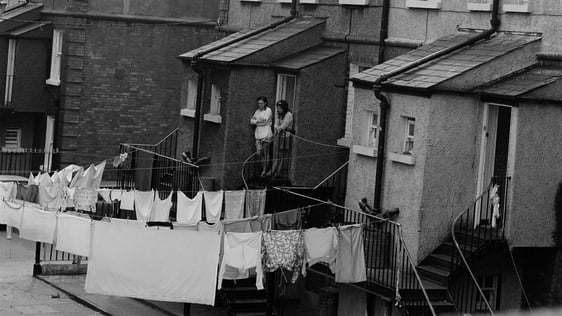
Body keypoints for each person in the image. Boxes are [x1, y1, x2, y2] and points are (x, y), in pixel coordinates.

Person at [269, 100, 293, 178]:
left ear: (284, 108)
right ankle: (273, 171)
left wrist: (279, 128)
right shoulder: (279, 115)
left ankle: (277, 172)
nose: (278, 109)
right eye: (277, 108)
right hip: (280, 136)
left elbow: (284, 126)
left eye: (279, 108)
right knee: (278, 154)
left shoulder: (288, 115)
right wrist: (278, 128)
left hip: (286, 137)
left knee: (282, 155)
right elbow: (275, 124)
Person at [250, 96, 273, 178]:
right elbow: (251, 121)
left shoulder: (268, 110)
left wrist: (257, 121)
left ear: (265, 103)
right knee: (259, 154)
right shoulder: (257, 111)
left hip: (266, 134)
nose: (260, 105)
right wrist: (258, 121)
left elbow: (264, 122)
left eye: (261, 103)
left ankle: (264, 170)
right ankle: (262, 169)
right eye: (258, 103)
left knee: (265, 153)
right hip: (258, 135)